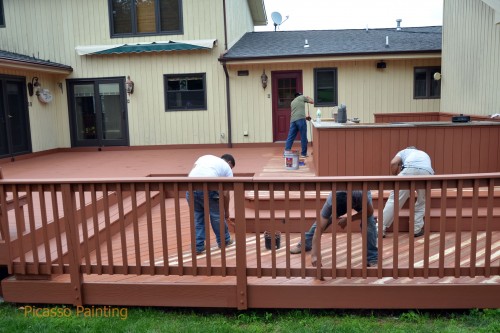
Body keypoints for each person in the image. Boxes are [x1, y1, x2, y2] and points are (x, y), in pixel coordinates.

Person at [289, 191, 378, 267]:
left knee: (369, 223)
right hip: (340, 201)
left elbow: (369, 212)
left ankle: (372, 257)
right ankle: (305, 243)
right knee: (323, 221)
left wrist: (348, 219)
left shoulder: (360, 195)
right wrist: (314, 255)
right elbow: (319, 228)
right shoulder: (331, 201)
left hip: (359, 197)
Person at [186, 154, 236, 254]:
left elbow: (193, 171)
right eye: (231, 167)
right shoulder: (227, 168)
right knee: (217, 216)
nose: (230, 169)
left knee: (198, 216)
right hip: (208, 189)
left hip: (190, 188)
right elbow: (225, 194)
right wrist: (226, 212)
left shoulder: (204, 157)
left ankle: (198, 246)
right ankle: (224, 241)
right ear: (229, 163)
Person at [382, 146, 434, 238]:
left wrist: (394, 178)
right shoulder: (423, 154)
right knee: (422, 201)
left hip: (409, 169)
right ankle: (416, 230)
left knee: (394, 200)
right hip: (426, 172)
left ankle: (379, 229)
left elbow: (394, 162)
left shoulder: (404, 152)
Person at [284, 92, 314, 158]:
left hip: (293, 121)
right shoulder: (302, 97)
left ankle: (286, 152)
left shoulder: (292, 102)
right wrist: (308, 97)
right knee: (303, 137)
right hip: (300, 120)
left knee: (290, 137)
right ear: (300, 95)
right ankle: (303, 154)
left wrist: (305, 117)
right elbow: (312, 102)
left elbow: (296, 113)